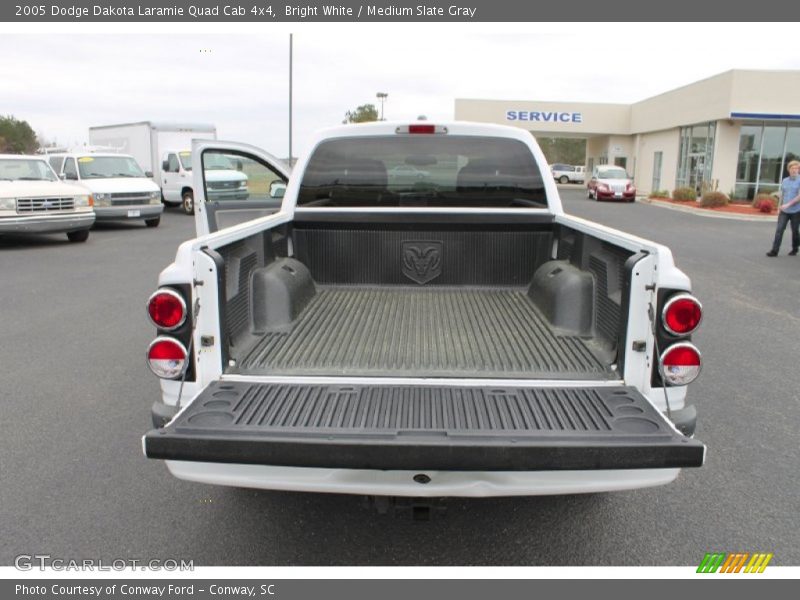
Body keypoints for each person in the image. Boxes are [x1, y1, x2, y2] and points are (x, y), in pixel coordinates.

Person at [767, 160, 800, 257]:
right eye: (792, 168)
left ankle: (795, 248)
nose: (794, 170)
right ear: (789, 169)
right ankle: (774, 251)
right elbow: (782, 195)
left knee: (795, 231)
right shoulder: (785, 181)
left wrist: (788, 205)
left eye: (796, 168)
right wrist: (779, 207)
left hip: (796, 211)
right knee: (779, 229)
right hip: (784, 211)